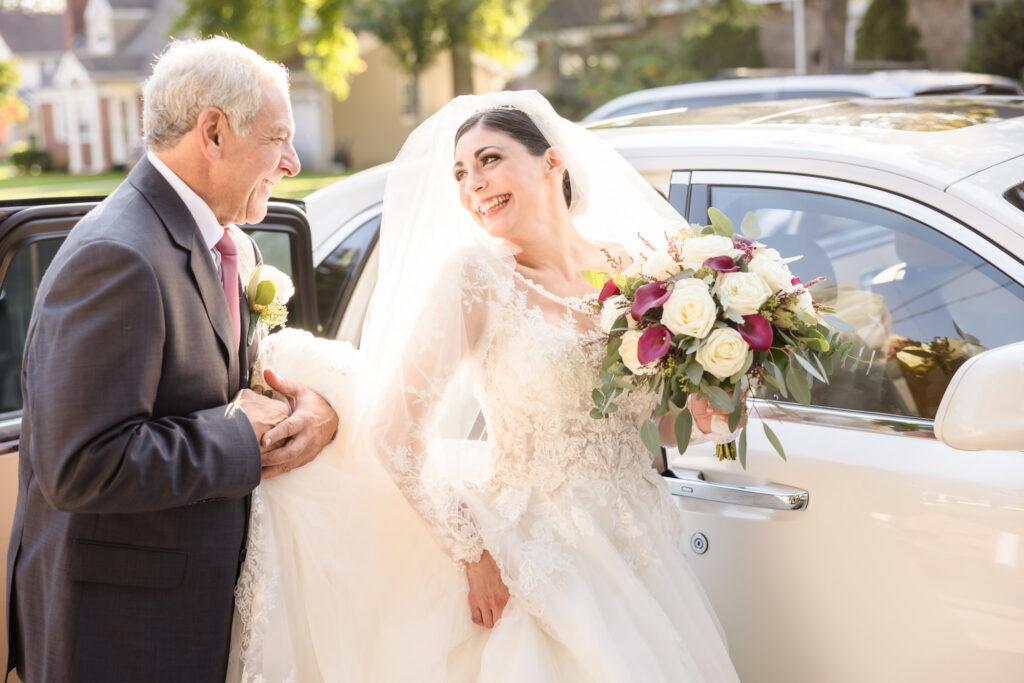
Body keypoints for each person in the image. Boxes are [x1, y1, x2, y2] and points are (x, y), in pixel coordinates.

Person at [231, 91, 740, 682]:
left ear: (553, 163)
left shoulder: (639, 272)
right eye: (460, 173)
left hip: (639, 546)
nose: (473, 183)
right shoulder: (476, 277)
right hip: (534, 557)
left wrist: (710, 409)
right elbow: (393, 434)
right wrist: (473, 553)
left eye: (490, 160)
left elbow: (663, 425)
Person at [5, 37, 338, 683]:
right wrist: (240, 434)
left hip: (190, 605)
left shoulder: (222, 242)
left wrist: (314, 406)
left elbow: (227, 381)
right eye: (278, 138)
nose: (293, 162)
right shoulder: (118, 256)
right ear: (212, 131)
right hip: (122, 631)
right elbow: (80, 465)